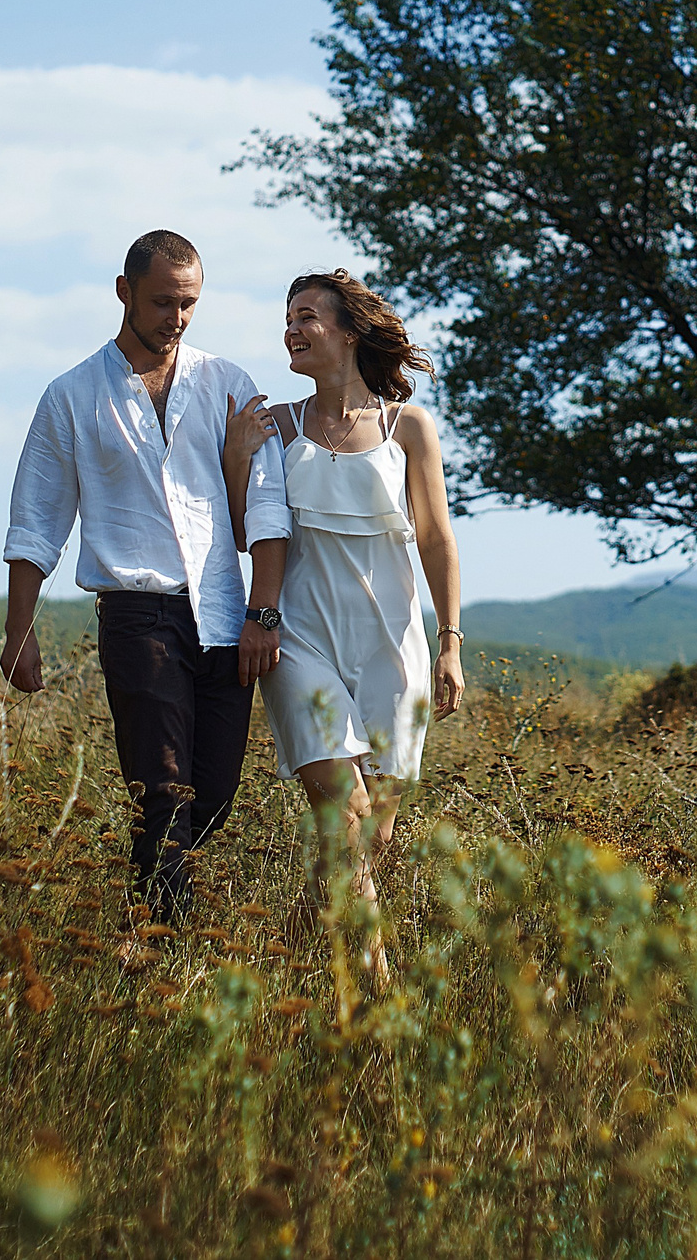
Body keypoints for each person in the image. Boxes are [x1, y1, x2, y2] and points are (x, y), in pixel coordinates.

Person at [1, 230, 290, 922]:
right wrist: (19, 630)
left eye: (189, 303)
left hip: (223, 613)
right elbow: (37, 516)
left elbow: (268, 505)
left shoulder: (228, 384)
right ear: (124, 291)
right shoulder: (70, 394)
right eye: (163, 301)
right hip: (137, 613)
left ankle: (134, 911)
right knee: (164, 790)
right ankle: (166, 945)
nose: (177, 318)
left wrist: (262, 611)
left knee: (213, 794)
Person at [221, 269, 465, 981]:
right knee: (349, 808)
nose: (291, 329)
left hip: (393, 645)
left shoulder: (407, 425)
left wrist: (450, 641)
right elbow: (246, 532)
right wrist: (238, 459)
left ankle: (297, 947)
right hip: (299, 639)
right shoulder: (280, 427)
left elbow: (438, 539)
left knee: (370, 831)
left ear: (350, 331)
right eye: (287, 318)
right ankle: (375, 997)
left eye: (307, 316)